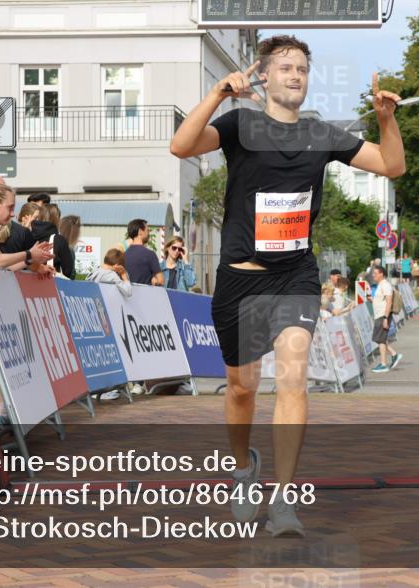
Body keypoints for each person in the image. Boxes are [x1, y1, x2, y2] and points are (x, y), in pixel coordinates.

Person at [170, 34, 406, 537]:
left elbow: (392, 165)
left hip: (295, 276)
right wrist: (217, 95)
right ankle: (242, 468)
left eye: (301, 68)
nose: (295, 75)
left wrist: (386, 119)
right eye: (285, 68)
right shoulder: (240, 125)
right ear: (265, 76)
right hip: (241, 279)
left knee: (294, 378)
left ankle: (282, 500)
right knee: (241, 388)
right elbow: (181, 146)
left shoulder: (321, 134)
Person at [0, 183, 51, 271]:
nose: (12, 214)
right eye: (10, 208)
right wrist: (29, 254)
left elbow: (2, 267)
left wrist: (30, 260)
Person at [370, 265, 402, 373]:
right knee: (380, 339)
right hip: (379, 315)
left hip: (383, 315)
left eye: (375, 273)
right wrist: (371, 299)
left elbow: (389, 302)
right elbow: (381, 300)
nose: (373, 275)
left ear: (381, 274)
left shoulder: (385, 285)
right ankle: (394, 354)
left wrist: (385, 318)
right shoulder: (381, 285)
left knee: (380, 339)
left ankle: (384, 364)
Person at [31, 204, 74, 278]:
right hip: (51, 285)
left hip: (26, 285)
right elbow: (68, 271)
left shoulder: (27, 236)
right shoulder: (59, 240)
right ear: (57, 219)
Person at [124, 218, 163, 286]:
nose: (149, 233)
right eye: (147, 230)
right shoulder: (150, 255)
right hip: (145, 295)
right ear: (140, 232)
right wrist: (154, 280)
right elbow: (161, 281)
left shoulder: (123, 255)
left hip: (128, 294)